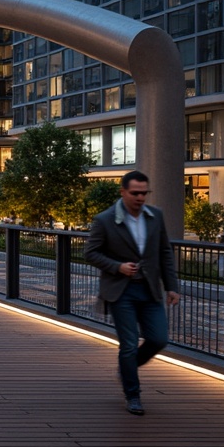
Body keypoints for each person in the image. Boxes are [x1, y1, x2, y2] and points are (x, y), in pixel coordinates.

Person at [84, 170, 181, 416]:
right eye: (135, 193)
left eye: (144, 193)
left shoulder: (155, 216)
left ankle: (127, 369)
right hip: (121, 291)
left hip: (149, 289)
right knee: (128, 345)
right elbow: (90, 253)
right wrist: (117, 266)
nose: (140, 198)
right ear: (123, 192)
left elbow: (164, 253)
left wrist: (172, 286)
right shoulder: (105, 219)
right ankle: (133, 394)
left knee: (159, 339)